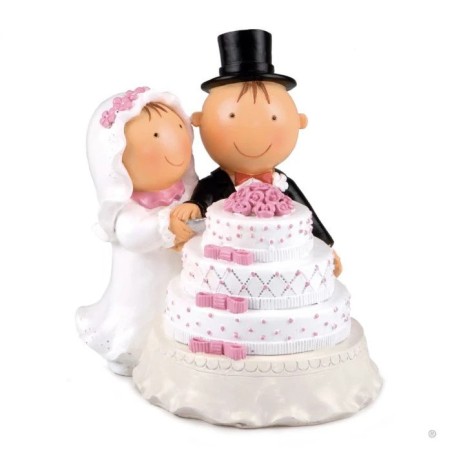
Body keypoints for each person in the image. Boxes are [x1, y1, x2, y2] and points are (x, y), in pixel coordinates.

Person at [170, 29, 342, 275]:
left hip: (284, 274)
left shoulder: (281, 184)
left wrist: (327, 248)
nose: (253, 131)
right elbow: (202, 203)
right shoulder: (215, 185)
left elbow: (308, 217)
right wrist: (194, 204)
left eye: (273, 117)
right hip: (223, 271)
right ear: (200, 121)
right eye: (231, 116)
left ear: (298, 121)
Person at [75, 87, 198, 376]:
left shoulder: (190, 193)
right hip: (141, 283)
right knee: (141, 316)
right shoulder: (127, 210)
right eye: (156, 136)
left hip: (183, 283)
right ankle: (129, 352)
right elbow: (132, 235)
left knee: (178, 318)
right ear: (115, 158)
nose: (175, 144)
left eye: (179, 129)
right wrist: (166, 225)